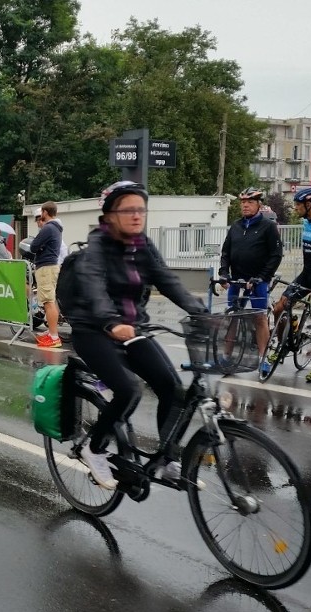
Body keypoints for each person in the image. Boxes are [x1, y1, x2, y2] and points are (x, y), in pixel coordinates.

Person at [64, 181, 209, 489]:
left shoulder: (142, 244)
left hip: (133, 329)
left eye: (141, 209)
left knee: (172, 387)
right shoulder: (97, 246)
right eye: (128, 209)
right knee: (129, 389)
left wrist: (199, 310)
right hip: (94, 331)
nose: (136, 215)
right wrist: (110, 321)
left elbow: (165, 279)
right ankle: (94, 448)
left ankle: (166, 459)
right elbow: (93, 287)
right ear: (109, 215)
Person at [267, 186, 311, 382]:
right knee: (279, 308)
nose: (295, 208)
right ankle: (283, 346)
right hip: (306, 275)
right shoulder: (306, 223)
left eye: (298, 204)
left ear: (309, 205)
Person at [218, 187, 283, 360]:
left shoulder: (268, 226)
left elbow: (276, 256)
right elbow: (225, 253)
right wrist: (224, 273)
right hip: (237, 280)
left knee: (259, 317)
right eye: (243, 202)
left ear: (258, 204)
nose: (245, 205)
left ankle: (263, 358)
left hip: (258, 280)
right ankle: (226, 356)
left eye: (250, 202)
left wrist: (262, 277)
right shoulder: (236, 226)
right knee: (233, 315)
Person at [29, 202, 64, 348]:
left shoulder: (48, 228)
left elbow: (33, 246)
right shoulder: (56, 228)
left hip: (46, 267)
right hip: (51, 266)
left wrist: (40, 246)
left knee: (48, 302)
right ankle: (51, 333)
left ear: (44, 212)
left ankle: (54, 337)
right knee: (51, 301)